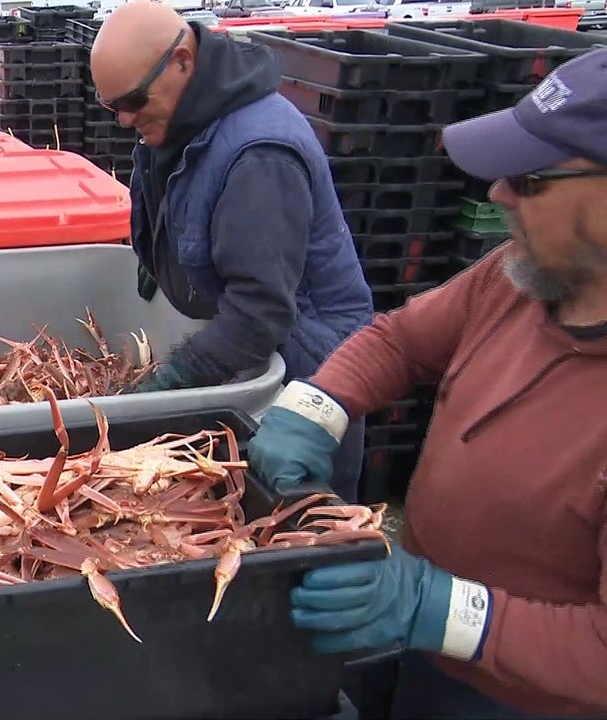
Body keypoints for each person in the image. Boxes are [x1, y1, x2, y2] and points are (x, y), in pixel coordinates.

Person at [246, 48, 607, 718]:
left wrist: (440, 608)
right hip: (426, 658)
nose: (496, 193)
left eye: (528, 179)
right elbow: (401, 340)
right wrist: (317, 406)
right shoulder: (518, 276)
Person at [88, 1, 374, 504]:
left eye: (132, 100)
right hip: (250, 356)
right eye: (113, 106)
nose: (124, 118)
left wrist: (169, 381)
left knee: (293, 522)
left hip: (307, 370)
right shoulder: (182, 118)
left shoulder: (260, 155)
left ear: (182, 60)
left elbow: (259, 316)